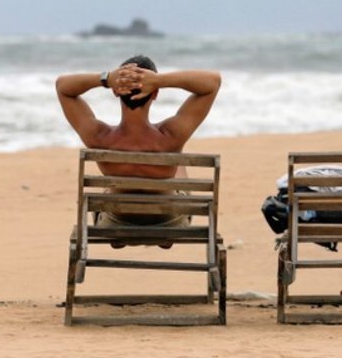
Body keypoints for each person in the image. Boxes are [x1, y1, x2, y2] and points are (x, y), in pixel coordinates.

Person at [55, 56, 221, 239]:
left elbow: (63, 86)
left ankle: (119, 235)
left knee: (108, 190)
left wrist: (107, 78)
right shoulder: (171, 136)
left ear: (116, 92)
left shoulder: (99, 137)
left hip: (117, 220)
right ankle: (164, 238)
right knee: (178, 160)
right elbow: (213, 82)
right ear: (155, 93)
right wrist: (159, 81)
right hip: (168, 222)